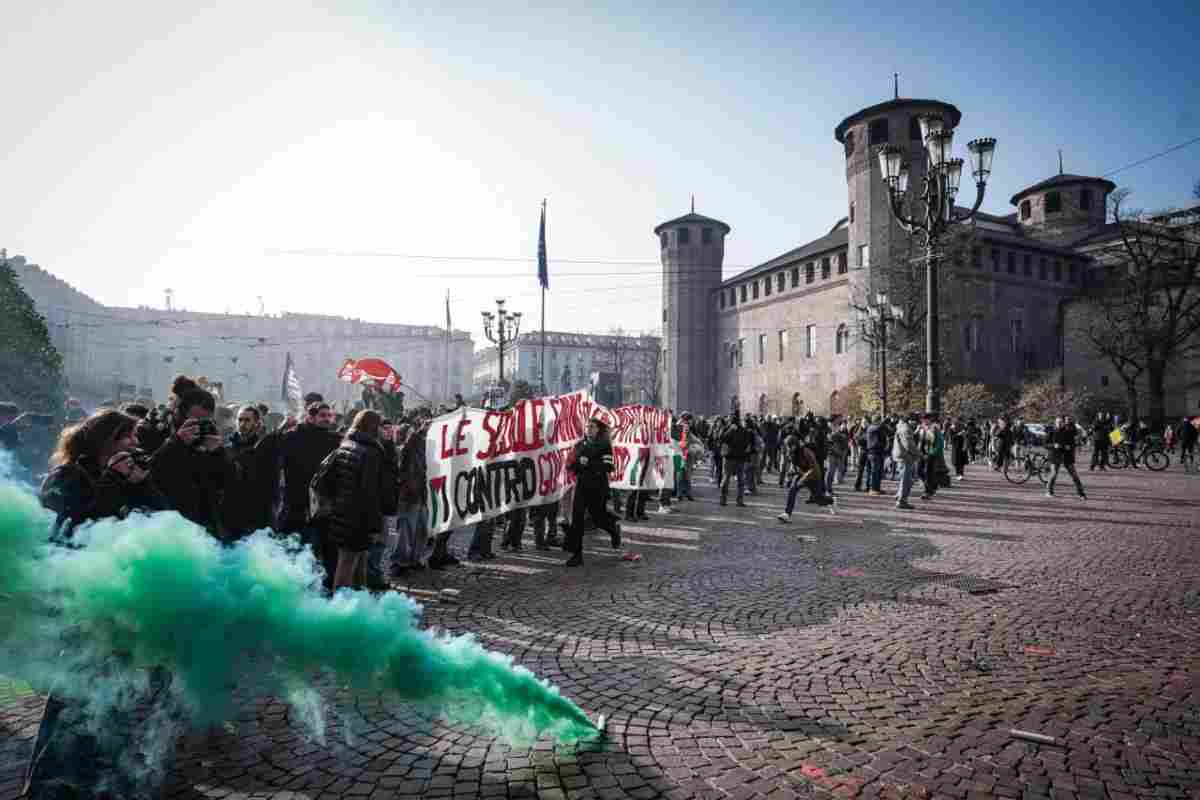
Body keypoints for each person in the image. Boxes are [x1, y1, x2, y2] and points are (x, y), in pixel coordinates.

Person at [28, 409, 170, 800]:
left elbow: (166, 523)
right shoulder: (66, 477)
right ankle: (45, 784)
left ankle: (99, 778)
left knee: (113, 693)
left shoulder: (125, 476)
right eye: (126, 437)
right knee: (72, 693)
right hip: (79, 597)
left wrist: (142, 486)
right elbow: (67, 533)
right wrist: (110, 484)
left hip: (118, 597)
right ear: (104, 440)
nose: (133, 445)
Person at [323, 410, 399, 591]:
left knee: (356, 560)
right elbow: (369, 492)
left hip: (343, 511)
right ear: (373, 427)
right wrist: (374, 525)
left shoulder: (347, 443)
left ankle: (357, 603)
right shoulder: (370, 451)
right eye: (381, 425)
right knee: (348, 562)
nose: (384, 430)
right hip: (358, 516)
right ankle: (341, 609)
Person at [146, 387, 232, 534]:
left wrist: (218, 453)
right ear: (180, 415)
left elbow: (228, 481)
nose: (199, 425)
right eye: (194, 420)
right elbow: (150, 472)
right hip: (167, 524)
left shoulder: (209, 435)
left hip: (203, 526)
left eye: (204, 420)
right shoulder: (157, 432)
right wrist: (177, 442)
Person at [564, 419, 621, 567]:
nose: (588, 429)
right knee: (577, 519)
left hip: (598, 486)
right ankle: (577, 555)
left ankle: (613, 530)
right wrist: (576, 464)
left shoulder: (604, 445)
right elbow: (571, 465)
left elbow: (608, 466)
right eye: (587, 426)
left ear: (598, 429)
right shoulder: (579, 445)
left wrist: (588, 463)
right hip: (581, 486)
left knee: (598, 518)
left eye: (592, 427)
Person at [220, 405, 272, 541]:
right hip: (228, 517)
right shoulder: (226, 449)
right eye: (240, 420)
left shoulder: (264, 449)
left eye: (247, 420)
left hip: (254, 518)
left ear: (257, 423)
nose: (242, 424)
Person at [777, 433, 831, 521]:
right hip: (801, 474)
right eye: (787, 446)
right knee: (792, 490)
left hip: (814, 476)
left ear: (795, 444)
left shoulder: (806, 452)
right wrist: (791, 472)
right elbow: (794, 465)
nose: (788, 448)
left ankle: (831, 500)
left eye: (790, 446)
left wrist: (804, 477)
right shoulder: (791, 452)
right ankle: (787, 513)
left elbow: (814, 468)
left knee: (819, 499)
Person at [1046, 415, 1087, 499]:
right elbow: (1045, 444)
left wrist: (1070, 447)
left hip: (1066, 456)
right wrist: (1054, 445)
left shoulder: (1068, 432)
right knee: (1054, 474)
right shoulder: (1051, 432)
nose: (1060, 424)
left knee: (1074, 475)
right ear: (1055, 423)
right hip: (1055, 455)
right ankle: (1049, 491)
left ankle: (1081, 493)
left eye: (1061, 422)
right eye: (1058, 422)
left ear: (1064, 423)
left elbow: (1073, 444)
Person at [719, 414, 754, 507]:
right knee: (740, 480)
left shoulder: (727, 429)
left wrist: (730, 430)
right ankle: (739, 501)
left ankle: (723, 499)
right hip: (740, 458)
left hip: (729, 458)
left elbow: (721, 439)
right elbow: (747, 444)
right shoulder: (744, 431)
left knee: (726, 478)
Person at [892, 415, 918, 510]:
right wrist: (918, 454)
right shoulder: (906, 429)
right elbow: (908, 445)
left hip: (901, 455)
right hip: (905, 457)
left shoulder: (901, 427)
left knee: (905, 478)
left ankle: (899, 495)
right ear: (910, 421)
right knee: (906, 479)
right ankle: (902, 500)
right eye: (915, 421)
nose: (916, 423)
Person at [918, 416, 944, 501]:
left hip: (931, 454)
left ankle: (927, 492)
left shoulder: (935, 429)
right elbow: (920, 441)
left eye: (925, 419)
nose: (923, 421)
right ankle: (933, 485)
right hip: (922, 453)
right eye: (922, 419)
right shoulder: (921, 428)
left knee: (928, 472)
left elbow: (939, 443)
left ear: (929, 420)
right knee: (919, 471)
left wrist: (932, 453)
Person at [865, 415, 885, 495]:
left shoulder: (873, 428)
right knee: (875, 472)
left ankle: (877, 488)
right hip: (874, 452)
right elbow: (878, 432)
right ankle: (873, 488)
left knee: (877, 472)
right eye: (879, 420)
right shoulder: (874, 428)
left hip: (875, 452)